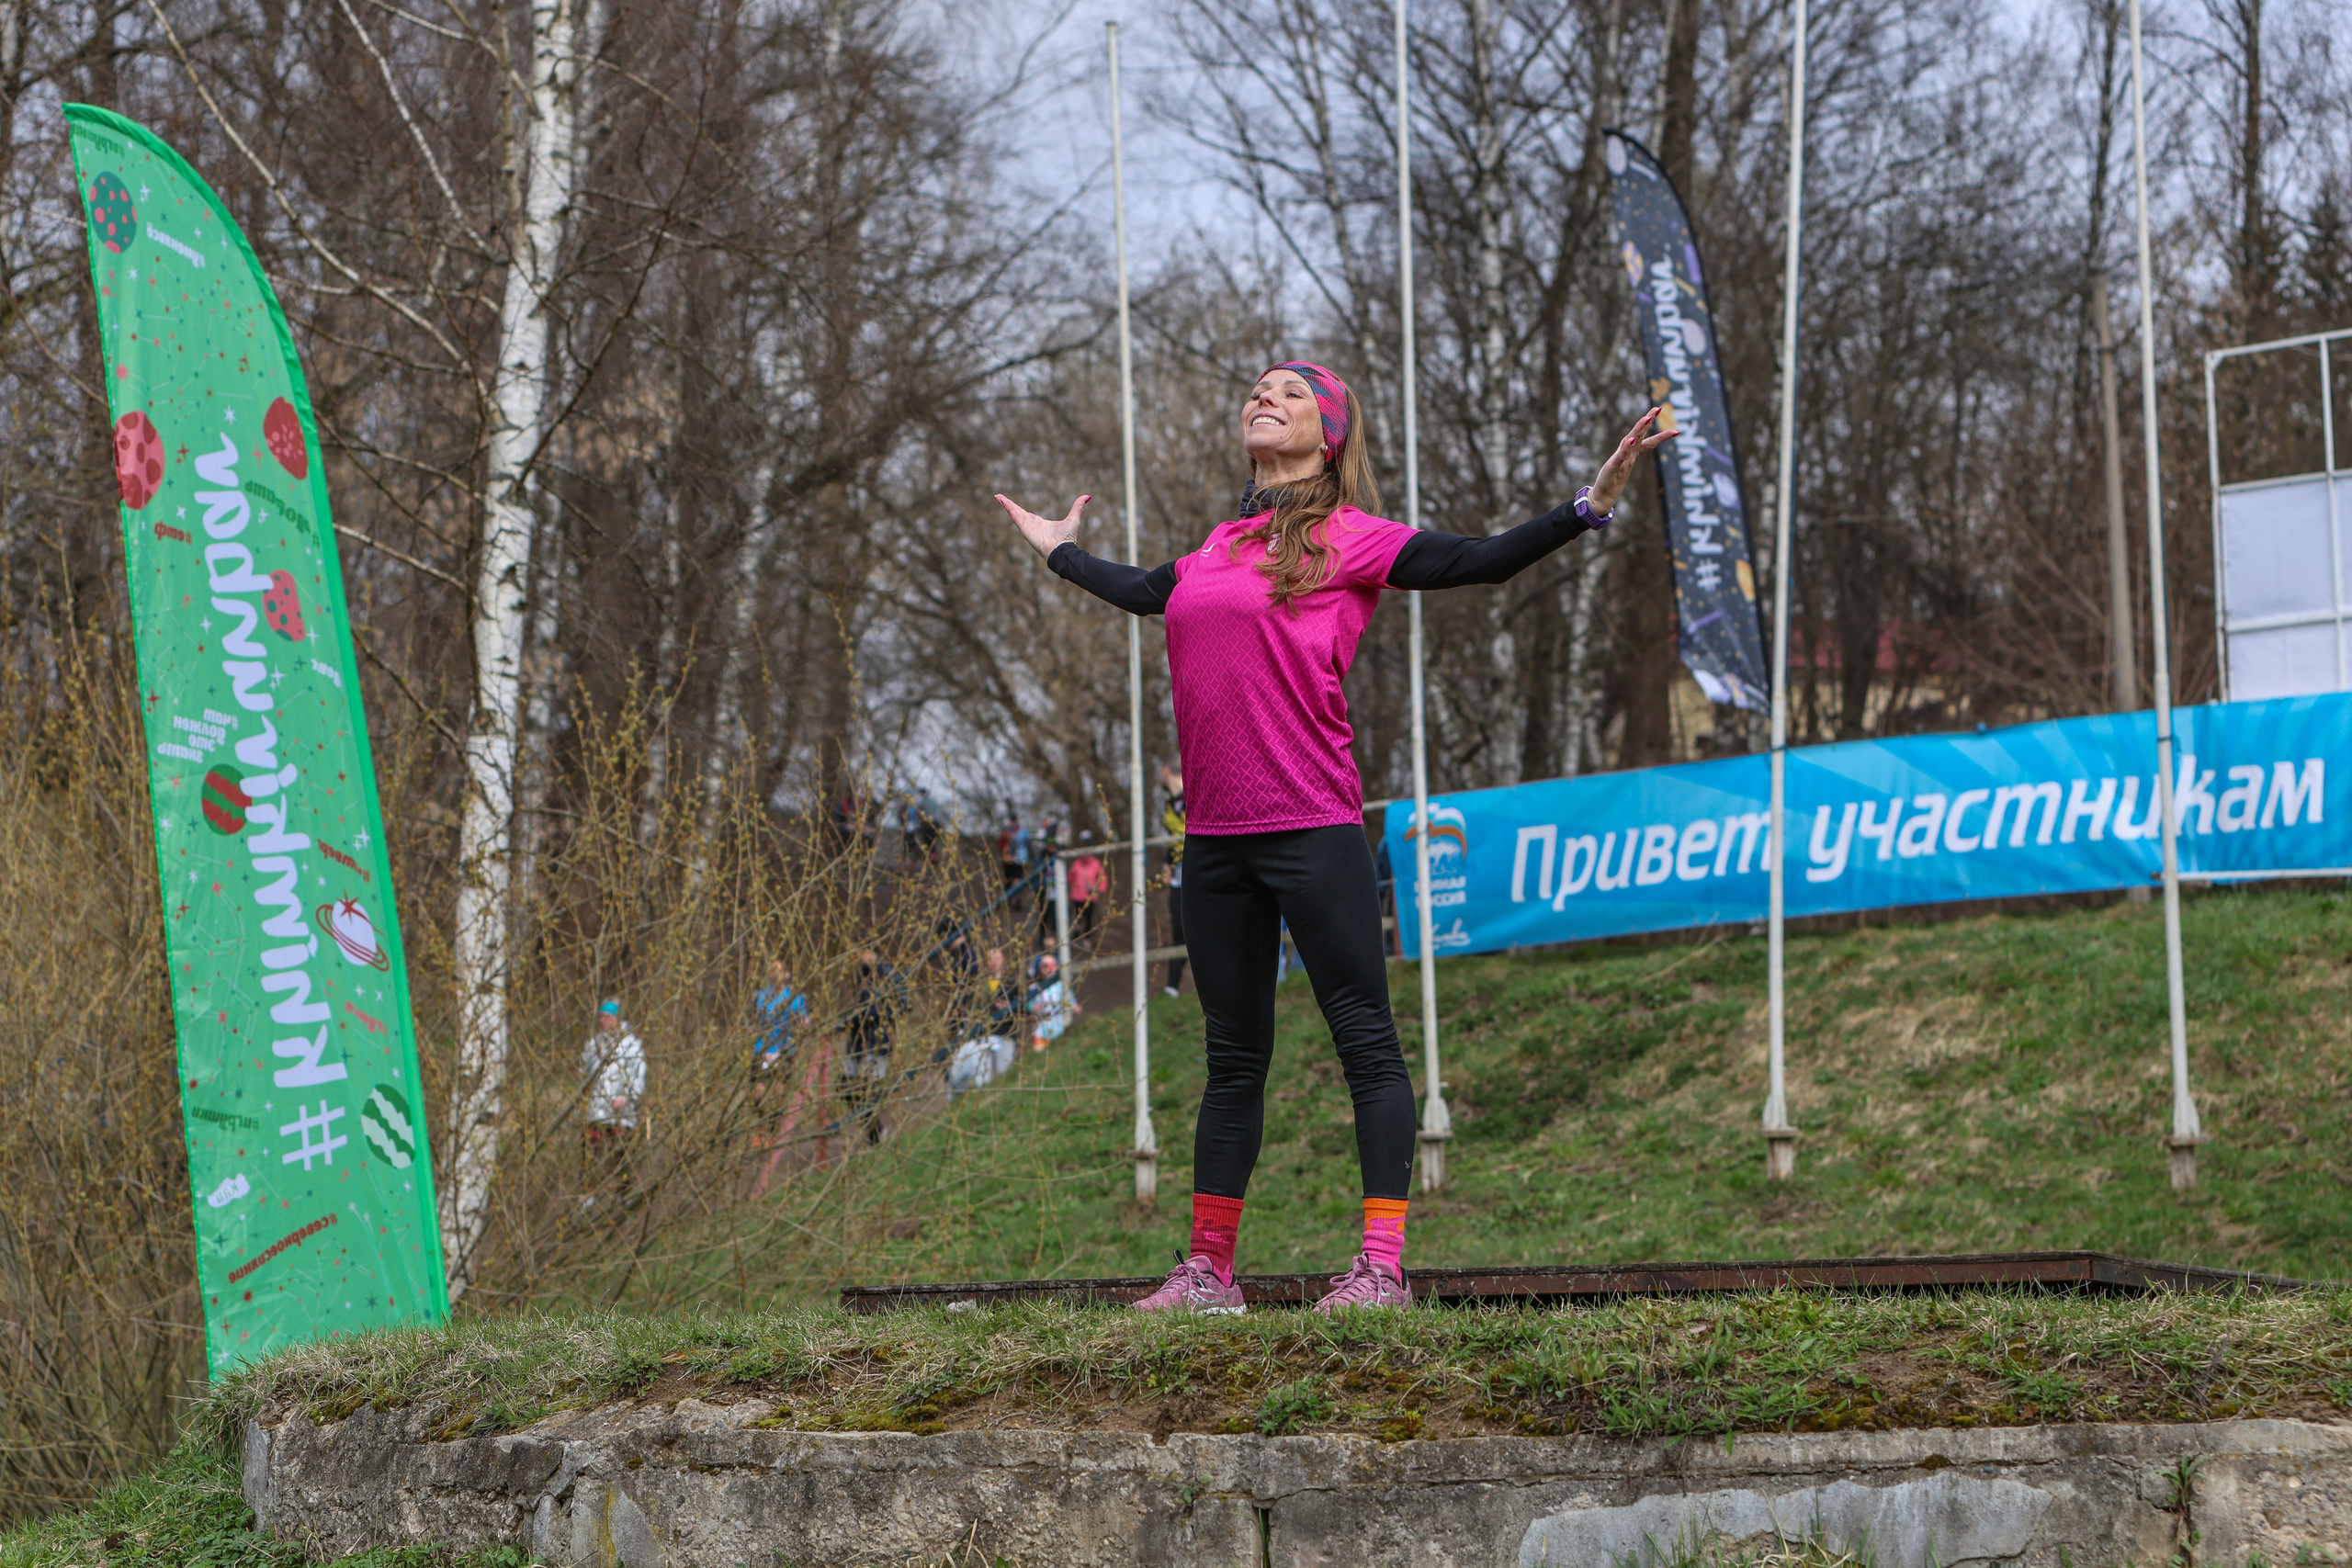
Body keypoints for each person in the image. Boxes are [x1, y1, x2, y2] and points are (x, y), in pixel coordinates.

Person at [995, 361, 1668, 1313]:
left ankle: (1381, 1268)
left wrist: (1586, 508)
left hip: (1312, 826)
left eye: (1291, 393)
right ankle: (1209, 1274)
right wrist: (1061, 553)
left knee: (1366, 1044)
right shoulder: (1216, 549)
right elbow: (1144, 589)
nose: (1264, 397)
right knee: (1232, 1059)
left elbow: (1480, 559)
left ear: (1330, 436)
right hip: (1216, 842)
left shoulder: (1352, 538)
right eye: (1258, 388)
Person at [749, 960, 809, 1194]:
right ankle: (761, 1126)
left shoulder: (795, 997)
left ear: (785, 974)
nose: (775, 974)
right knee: (757, 1094)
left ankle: (771, 1132)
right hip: (762, 1050)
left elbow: (804, 1021)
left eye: (779, 970)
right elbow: (749, 1022)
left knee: (778, 1095)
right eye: (771, 971)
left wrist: (801, 1030)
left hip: (784, 1051)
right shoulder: (759, 997)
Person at [582, 998, 647, 1198]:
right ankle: (587, 1194)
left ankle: (622, 1196)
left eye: (607, 1017)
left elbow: (638, 1075)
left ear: (617, 1019)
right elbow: (585, 1074)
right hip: (596, 1111)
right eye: (601, 1017)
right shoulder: (594, 1045)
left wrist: (626, 1097)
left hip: (621, 1114)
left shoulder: (631, 1046)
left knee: (621, 1155)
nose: (603, 1021)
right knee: (590, 1153)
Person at [842, 951, 904, 1145]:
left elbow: (902, 1004)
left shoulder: (887, 974)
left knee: (869, 1088)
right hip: (856, 1042)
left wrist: (873, 1015)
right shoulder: (859, 976)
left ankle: (876, 1133)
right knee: (846, 1086)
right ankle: (873, 1131)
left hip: (877, 1041)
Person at [946, 948, 1022, 1097]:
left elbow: (1021, 1009)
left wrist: (1009, 1008)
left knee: (1004, 1073)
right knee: (984, 1076)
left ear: (1003, 960)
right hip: (983, 1037)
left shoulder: (1012, 985)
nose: (993, 962)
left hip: (1005, 1035)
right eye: (990, 959)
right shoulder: (977, 986)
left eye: (996, 958)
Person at [1159, 764, 1188, 998]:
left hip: (1199, 871)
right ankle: (1172, 986)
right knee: (1179, 931)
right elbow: (1173, 838)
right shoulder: (1169, 804)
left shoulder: (1193, 794)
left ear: (1165, 770)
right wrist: (1166, 863)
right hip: (1177, 877)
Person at [1023, 953, 1076, 1051]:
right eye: (1045, 965)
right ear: (1039, 968)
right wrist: (1033, 1007)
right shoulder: (1034, 987)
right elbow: (1027, 1004)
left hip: (1060, 1027)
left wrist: (1075, 1007)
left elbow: (1070, 998)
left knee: (1059, 1052)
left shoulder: (1061, 984)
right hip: (1040, 1029)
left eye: (1052, 965)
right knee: (1038, 1053)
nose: (1049, 968)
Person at [1066, 833, 1107, 942]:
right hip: (1077, 897)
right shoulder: (1076, 864)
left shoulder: (1096, 864)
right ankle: (1076, 938)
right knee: (1078, 918)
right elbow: (1070, 878)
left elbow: (1103, 878)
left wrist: (1099, 889)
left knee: (1088, 918)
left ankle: (1087, 939)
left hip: (1090, 897)